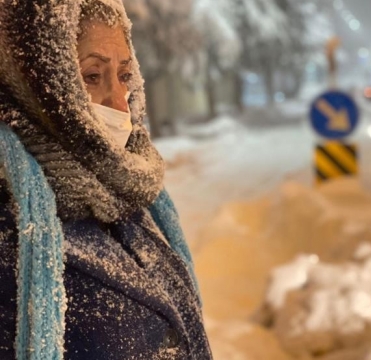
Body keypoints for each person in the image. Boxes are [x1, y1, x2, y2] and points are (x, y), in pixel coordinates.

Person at [0, 0, 212, 359]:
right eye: (92, 76)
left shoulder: (127, 205)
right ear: (40, 87)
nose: (119, 101)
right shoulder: (13, 235)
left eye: (125, 75)